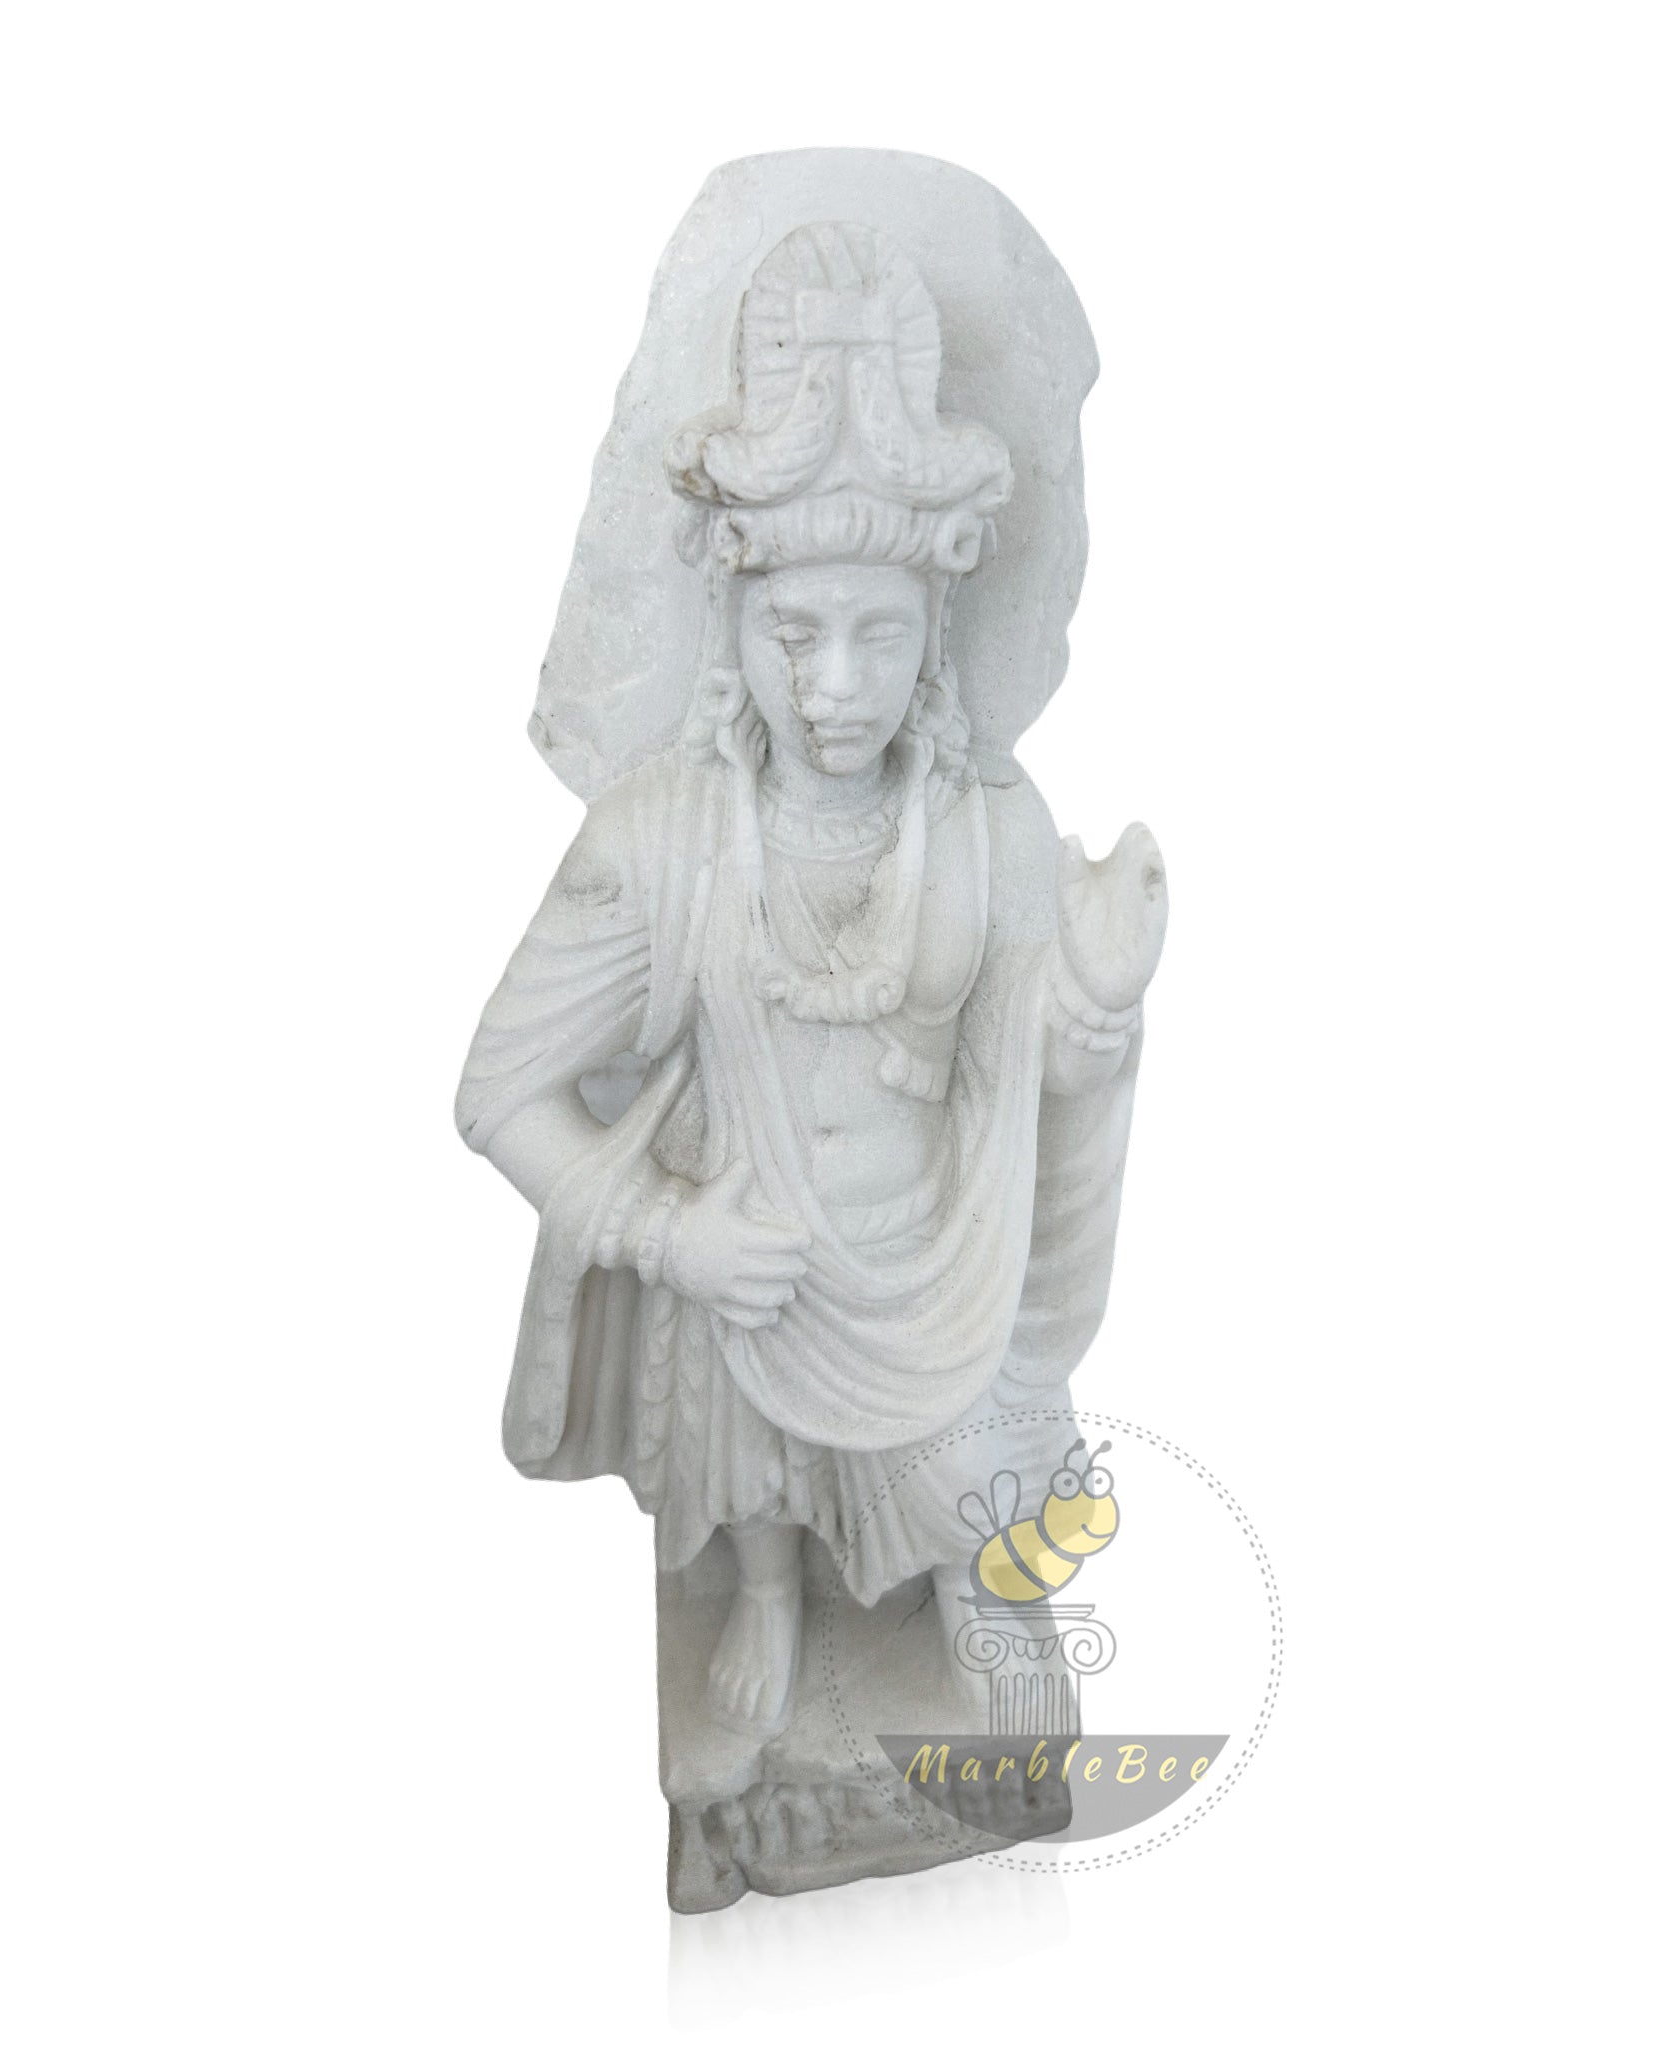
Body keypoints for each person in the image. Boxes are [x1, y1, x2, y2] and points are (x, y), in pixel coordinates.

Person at [457, 221, 1165, 1737]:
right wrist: (670, 1234)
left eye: (878, 635)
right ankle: (767, 1600)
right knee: (745, 1452)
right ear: (733, 618)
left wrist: (1096, 1008)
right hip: (746, 1254)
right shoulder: (659, 842)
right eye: (794, 633)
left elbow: (1026, 1068)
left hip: (935, 1252)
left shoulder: (987, 825)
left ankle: (977, 1586)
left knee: (983, 1447)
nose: (834, 686)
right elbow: (499, 1089)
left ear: (939, 630)